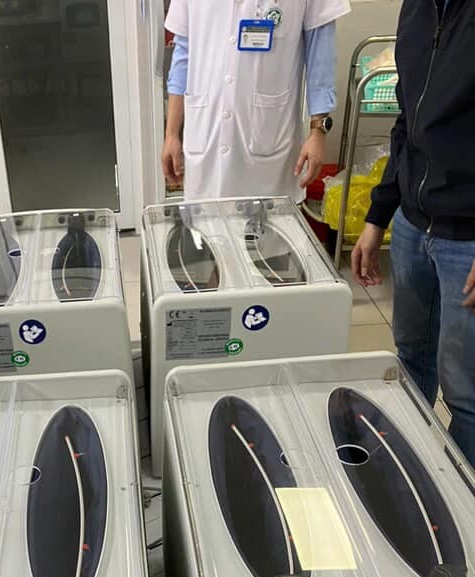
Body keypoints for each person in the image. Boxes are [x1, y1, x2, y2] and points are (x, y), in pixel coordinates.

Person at [352, 0, 475, 466]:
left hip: (467, 238)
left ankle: (461, 499)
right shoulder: (418, 9)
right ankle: (409, 474)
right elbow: (407, 121)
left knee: (466, 393)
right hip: (412, 223)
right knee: (409, 363)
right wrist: (378, 216)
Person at [161, 0, 351, 204]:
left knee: (270, 220)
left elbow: (320, 58)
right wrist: (171, 134)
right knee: (206, 220)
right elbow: (183, 54)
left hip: (269, 142)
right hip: (207, 138)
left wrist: (318, 131)